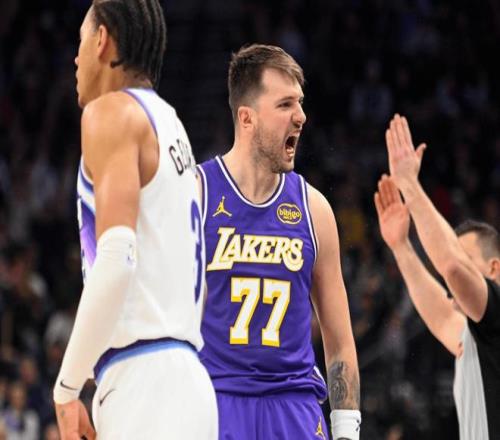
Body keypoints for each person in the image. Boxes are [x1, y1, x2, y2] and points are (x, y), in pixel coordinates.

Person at [52, 1, 217, 439]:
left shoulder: (110, 113)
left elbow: (116, 259)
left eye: (80, 42)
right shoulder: (173, 127)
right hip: (188, 382)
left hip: (146, 385)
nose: (75, 59)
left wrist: (66, 389)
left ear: (101, 40)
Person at [197, 44, 361, 440]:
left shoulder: (314, 209)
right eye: (285, 104)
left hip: (294, 406)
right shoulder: (195, 194)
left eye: (300, 103)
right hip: (215, 399)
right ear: (247, 118)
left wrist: (347, 432)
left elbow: (339, 341)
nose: (301, 116)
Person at [375, 114, 500, 439]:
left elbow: (452, 266)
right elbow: (442, 315)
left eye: (469, 259)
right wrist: (401, 247)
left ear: (494, 269)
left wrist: (410, 185)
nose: (453, 281)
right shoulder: (476, 336)